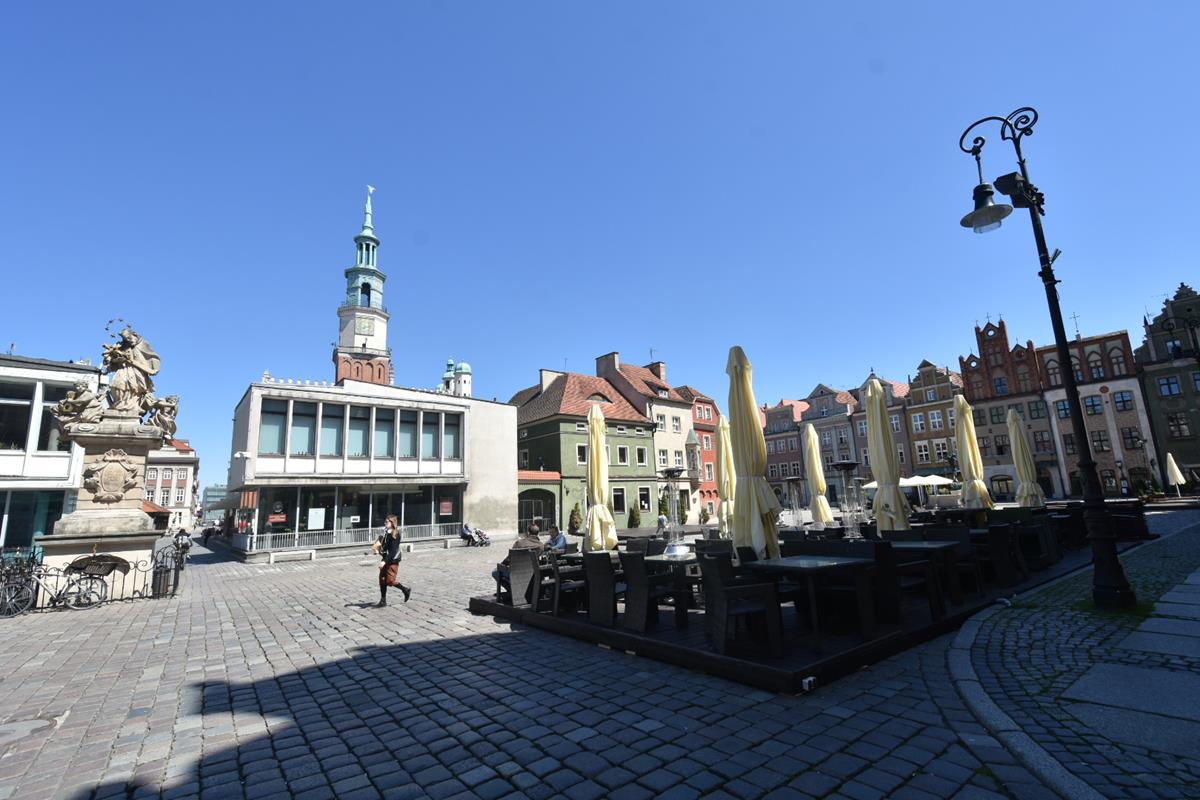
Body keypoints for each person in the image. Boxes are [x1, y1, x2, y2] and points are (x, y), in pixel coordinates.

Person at [373, 515, 411, 607]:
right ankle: (383, 600)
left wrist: (384, 561)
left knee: (390, 581)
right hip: (386, 558)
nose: (385, 523)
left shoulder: (396, 534)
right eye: (385, 522)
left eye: (387, 522)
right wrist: (378, 549)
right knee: (382, 579)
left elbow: (393, 550)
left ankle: (405, 590)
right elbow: (386, 547)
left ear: (392, 523)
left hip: (392, 560)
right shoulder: (387, 533)